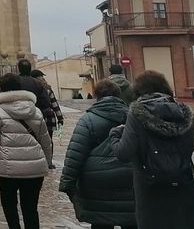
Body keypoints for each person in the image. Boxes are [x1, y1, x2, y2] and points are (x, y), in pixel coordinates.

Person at [109, 70, 194, 229]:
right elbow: (190, 146)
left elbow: (124, 153)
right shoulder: (186, 114)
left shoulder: (137, 113)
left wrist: (115, 135)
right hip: (185, 183)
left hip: (150, 188)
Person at [58, 80, 136, 229]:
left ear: (97, 96)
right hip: (129, 178)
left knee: (101, 223)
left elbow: (75, 153)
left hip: (96, 182)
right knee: (131, 220)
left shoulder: (87, 120)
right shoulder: (133, 117)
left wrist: (67, 182)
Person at [0, 73, 53, 229]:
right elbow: (46, 141)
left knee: (9, 206)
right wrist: (46, 162)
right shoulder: (36, 111)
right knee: (31, 208)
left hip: (8, 169)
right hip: (34, 168)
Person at [31, 70, 65, 136]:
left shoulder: (31, 90)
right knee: (49, 141)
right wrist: (60, 119)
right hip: (49, 119)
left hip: (37, 119)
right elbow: (55, 105)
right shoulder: (48, 89)